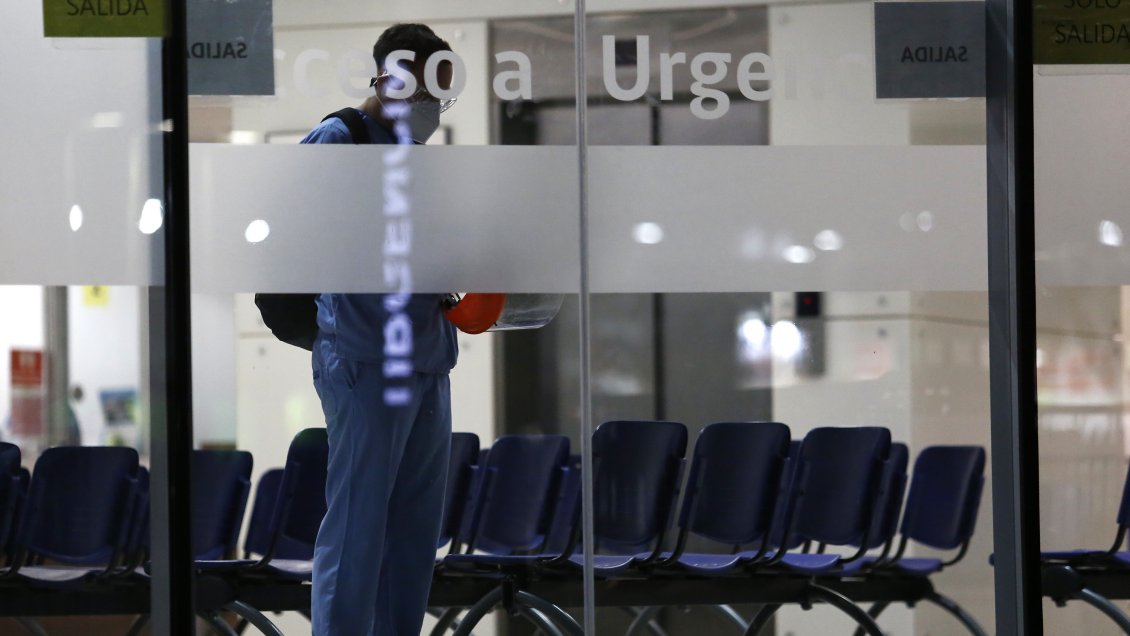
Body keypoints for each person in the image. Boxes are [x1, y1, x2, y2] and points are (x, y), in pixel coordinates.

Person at [302, 23, 459, 636]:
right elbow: (307, 238)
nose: (431, 111)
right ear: (390, 79)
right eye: (425, 94)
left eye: (439, 99)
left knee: (414, 536)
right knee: (358, 530)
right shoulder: (339, 140)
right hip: (364, 356)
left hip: (425, 357)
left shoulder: (414, 156)